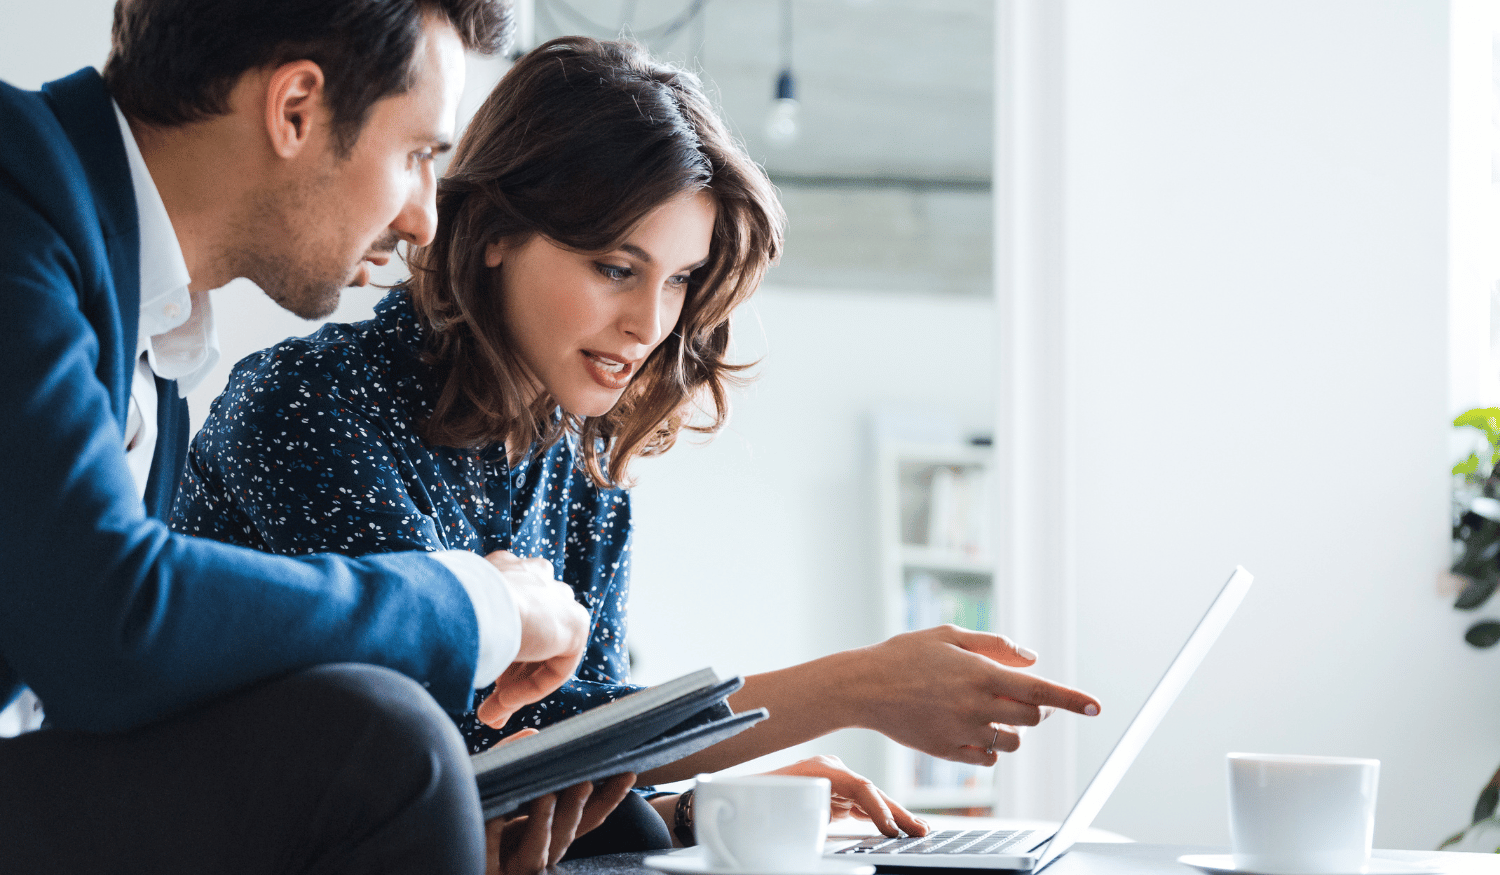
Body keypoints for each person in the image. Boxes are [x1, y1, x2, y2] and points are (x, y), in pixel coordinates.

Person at [172, 35, 1103, 849]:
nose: (647, 324)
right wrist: (857, 683)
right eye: (617, 268)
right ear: (495, 232)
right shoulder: (309, 407)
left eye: (678, 281)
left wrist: (697, 805)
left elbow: (577, 745)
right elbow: (443, 735)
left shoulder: (576, 462)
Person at [0, 2, 634, 873]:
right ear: (295, 108)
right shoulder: (16, 197)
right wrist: (474, 602)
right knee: (385, 747)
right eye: (416, 156)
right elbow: (103, 618)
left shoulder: (145, 321)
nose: (424, 220)